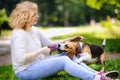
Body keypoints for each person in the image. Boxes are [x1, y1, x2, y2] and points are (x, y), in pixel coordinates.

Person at [9, 1, 118, 80]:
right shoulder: (19, 34)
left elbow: (51, 44)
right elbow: (20, 60)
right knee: (63, 61)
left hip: (37, 64)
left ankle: (98, 74)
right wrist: (42, 50)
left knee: (68, 55)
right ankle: (95, 78)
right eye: (34, 15)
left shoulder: (33, 29)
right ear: (26, 16)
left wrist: (72, 39)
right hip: (24, 71)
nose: (37, 16)